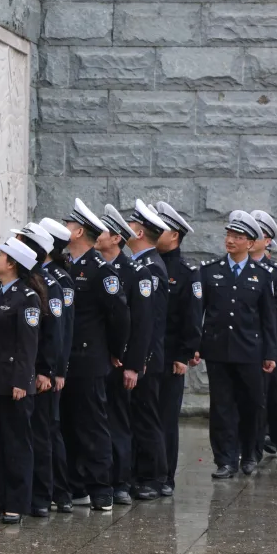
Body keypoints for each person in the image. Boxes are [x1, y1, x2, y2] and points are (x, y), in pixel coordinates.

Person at [60, 199, 130, 511]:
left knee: (92, 425)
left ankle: (102, 486)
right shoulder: (63, 266)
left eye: (68, 225)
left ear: (78, 232)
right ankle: (76, 486)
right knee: (67, 425)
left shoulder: (102, 271)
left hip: (90, 360)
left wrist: (115, 352)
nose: (63, 229)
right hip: (64, 359)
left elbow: (120, 316)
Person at [199, 210, 277, 479]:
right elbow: (199, 312)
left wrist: (270, 352)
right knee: (221, 406)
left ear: (251, 242)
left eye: (238, 236)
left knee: (252, 404)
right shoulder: (211, 271)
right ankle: (225, 459)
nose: (231, 240)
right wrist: (196, 345)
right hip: (218, 350)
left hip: (250, 351)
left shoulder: (262, 275)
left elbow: (269, 319)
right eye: (229, 235)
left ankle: (250, 453)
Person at [0, 237, 44, 524]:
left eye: (0, 255)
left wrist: (22, 381)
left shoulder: (28, 298)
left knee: (16, 443)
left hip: (14, 383)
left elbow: (28, 345)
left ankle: (16, 502)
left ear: (12, 263)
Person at [96, 204, 153, 506]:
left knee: (118, 421)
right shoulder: (94, 268)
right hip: (94, 359)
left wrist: (133, 365)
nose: (97, 236)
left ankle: (120, 481)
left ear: (117, 238)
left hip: (121, 363)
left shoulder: (135, 274)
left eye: (102, 231)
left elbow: (143, 324)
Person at [13, 223, 64, 517]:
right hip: (22, 371)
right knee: (25, 435)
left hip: (39, 374)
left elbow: (53, 333)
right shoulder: (26, 281)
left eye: (19, 241)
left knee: (41, 435)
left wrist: (47, 370)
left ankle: (42, 497)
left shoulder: (48, 284)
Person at [153, 202, 202, 495]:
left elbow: (192, 319)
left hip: (171, 358)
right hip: (148, 356)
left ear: (174, 236)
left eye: (161, 228)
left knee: (166, 420)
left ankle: (165, 476)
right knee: (145, 418)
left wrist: (184, 354)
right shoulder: (146, 264)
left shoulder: (185, 273)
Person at [125, 200, 171, 500]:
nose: (125, 228)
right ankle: (142, 474)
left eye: (130, 224)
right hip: (143, 356)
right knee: (138, 417)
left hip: (147, 359)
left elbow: (148, 321)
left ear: (140, 231)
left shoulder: (151, 267)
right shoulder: (140, 264)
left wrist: (139, 360)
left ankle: (154, 478)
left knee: (146, 418)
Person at [250, 210, 277, 460]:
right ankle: (250, 443)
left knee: (274, 395)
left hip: (269, 342)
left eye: (258, 234)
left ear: (267, 241)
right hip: (243, 343)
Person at [40, 217, 77, 513]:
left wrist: (58, 370)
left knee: (50, 428)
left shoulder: (58, 280)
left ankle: (59, 491)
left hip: (52, 370)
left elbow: (62, 330)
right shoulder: (42, 274)